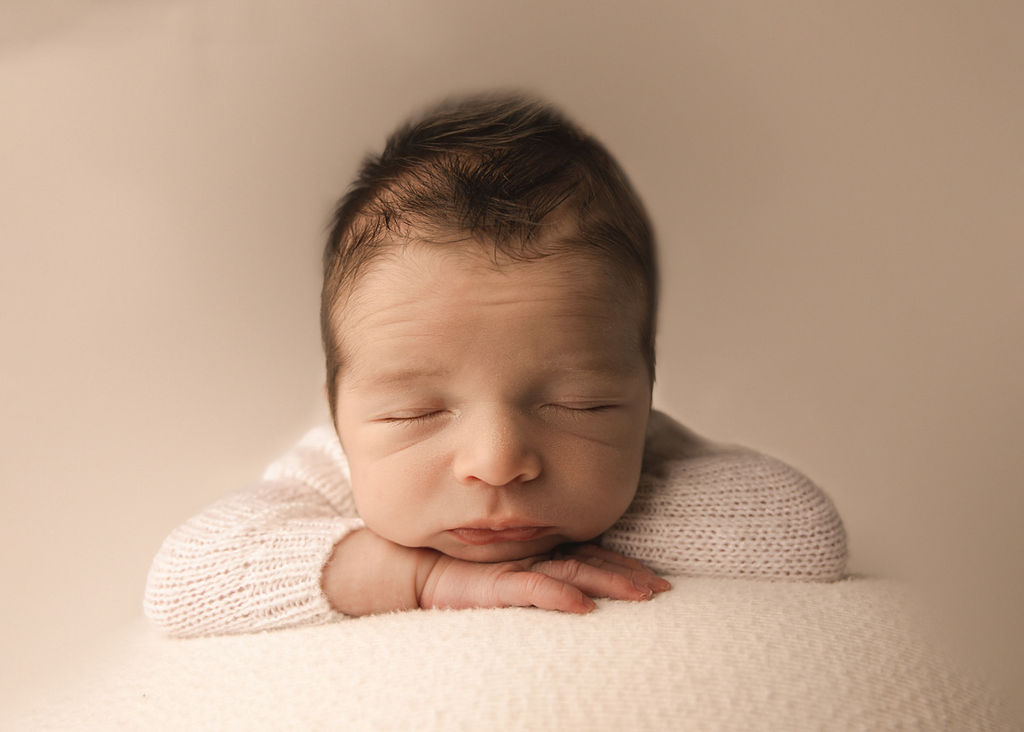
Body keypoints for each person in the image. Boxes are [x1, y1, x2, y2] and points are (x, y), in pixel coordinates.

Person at [144, 92, 847, 638]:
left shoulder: (656, 455)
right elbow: (182, 580)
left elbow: (802, 538)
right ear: (339, 411)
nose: (498, 461)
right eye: (414, 413)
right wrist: (419, 578)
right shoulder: (329, 473)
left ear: (643, 395)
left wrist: (588, 523)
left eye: (579, 405)